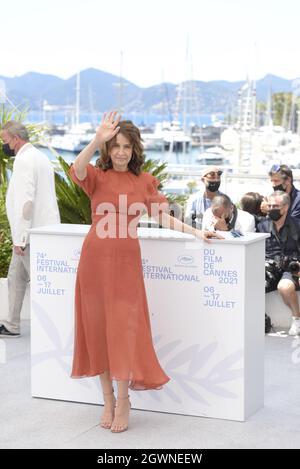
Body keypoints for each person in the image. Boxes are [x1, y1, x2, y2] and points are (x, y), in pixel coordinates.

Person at [69, 112, 222, 433]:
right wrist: (96, 138)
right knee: (97, 330)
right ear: (108, 150)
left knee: (123, 330)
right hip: (94, 262)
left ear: (134, 149)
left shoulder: (143, 182)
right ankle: (107, 399)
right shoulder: (96, 176)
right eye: (115, 146)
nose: (121, 152)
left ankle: (124, 400)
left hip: (126, 266)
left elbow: (165, 217)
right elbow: (77, 169)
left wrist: (197, 233)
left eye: (126, 146)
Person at [0, 121, 60, 338]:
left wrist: (21, 238)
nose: (4, 145)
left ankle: (56, 326)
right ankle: (11, 324)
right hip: (43, 229)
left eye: (5, 140)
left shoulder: (24, 160)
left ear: (16, 139)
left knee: (44, 283)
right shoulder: (41, 157)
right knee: (15, 276)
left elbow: (26, 202)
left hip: (31, 234)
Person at [257, 191, 300, 336]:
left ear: (286, 207)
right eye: (269, 205)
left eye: (275, 206)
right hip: (270, 265)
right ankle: (261, 319)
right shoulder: (262, 225)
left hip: (293, 266)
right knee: (251, 286)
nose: (271, 209)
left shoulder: (297, 225)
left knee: (285, 287)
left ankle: (297, 319)